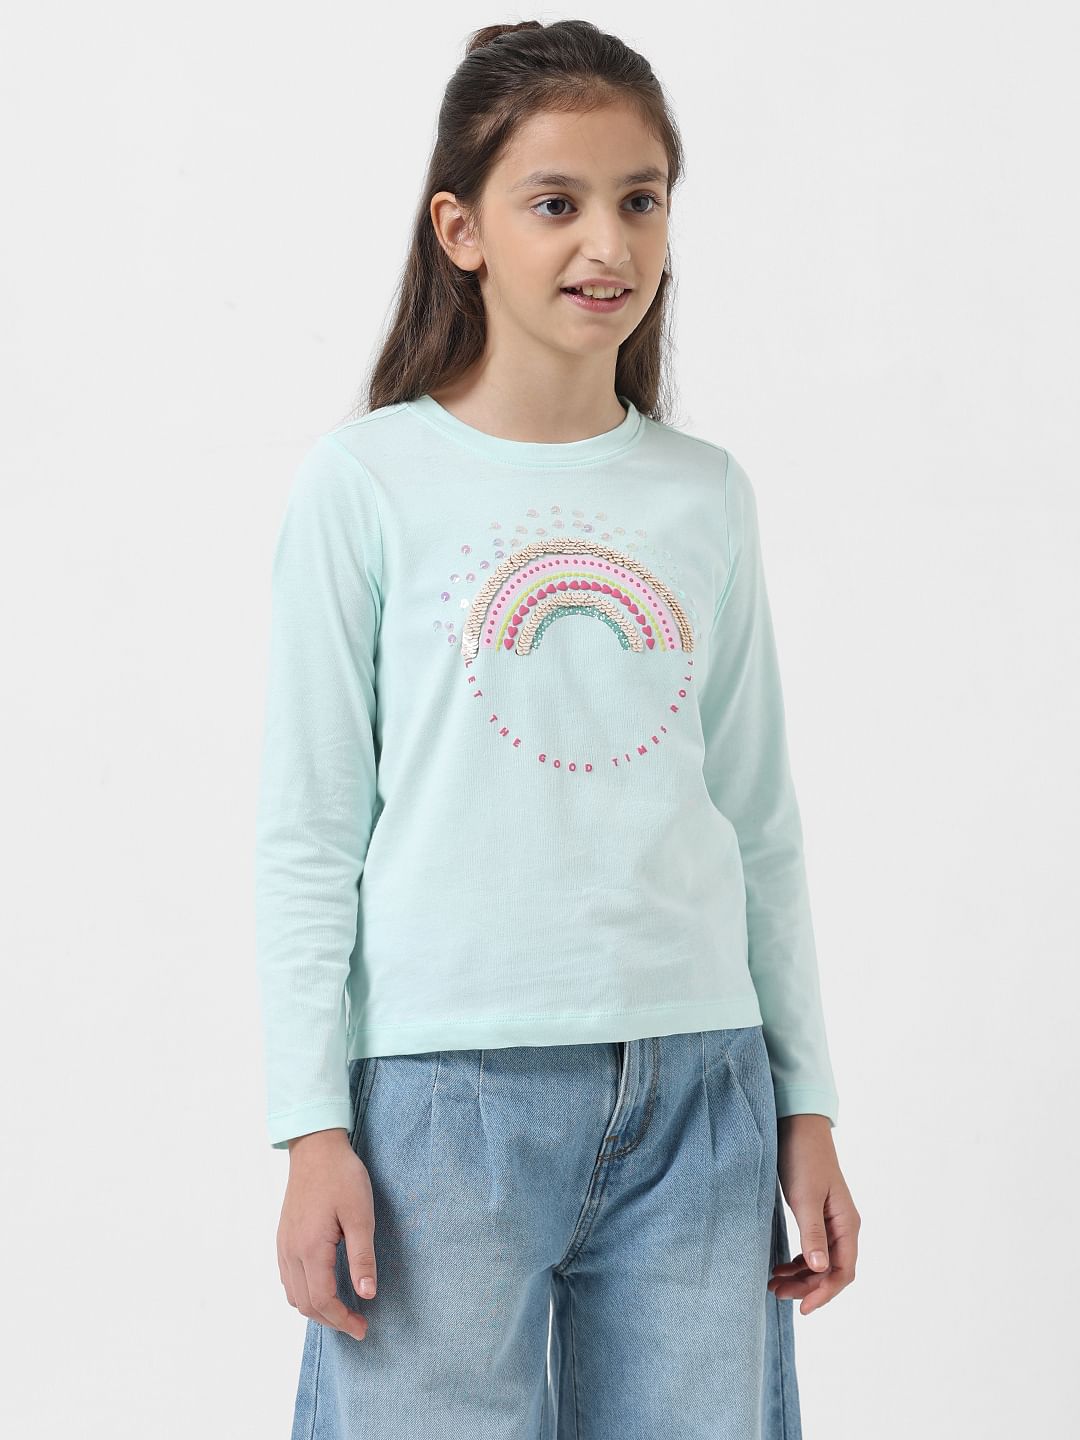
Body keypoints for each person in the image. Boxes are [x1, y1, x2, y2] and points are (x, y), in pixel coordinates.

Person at [254, 17, 861, 1439]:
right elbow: (309, 833)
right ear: (460, 230)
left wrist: (808, 1107)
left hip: (701, 1089)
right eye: (556, 202)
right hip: (440, 1103)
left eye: (640, 199)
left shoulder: (706, 494)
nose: (609, 243)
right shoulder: (366, 485)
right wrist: (311, 1128)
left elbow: (758, 820)